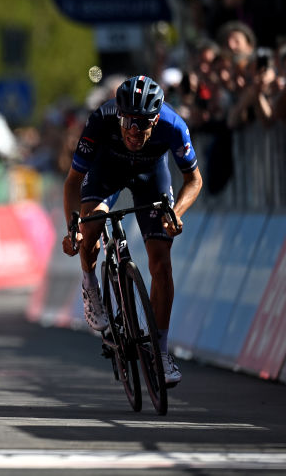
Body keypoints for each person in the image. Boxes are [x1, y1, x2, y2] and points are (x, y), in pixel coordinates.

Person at [61, 75, 203, 386]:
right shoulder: (101, 120)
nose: (133, 131)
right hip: (106, 172)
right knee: (92, 226)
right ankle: (89, 283)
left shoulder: (173, 125)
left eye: (142, 124)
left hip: (150, 177)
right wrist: (74, 225)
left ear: (156, 118)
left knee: (161, 263)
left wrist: (175, 213)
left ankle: (160, 353)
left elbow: (194, 180)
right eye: (127, 121)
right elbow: (73, 181)